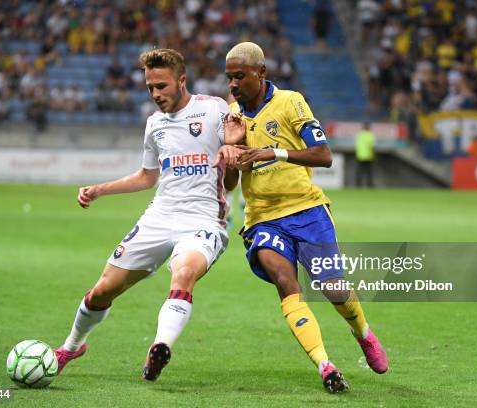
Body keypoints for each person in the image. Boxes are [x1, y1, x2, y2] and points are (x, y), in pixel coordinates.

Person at [53, 48, 244, 382]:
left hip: (202, 222)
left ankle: (160, 347)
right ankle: (71, 346)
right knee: (101, 292)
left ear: (181, 81)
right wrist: (101, 189)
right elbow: (147, 176)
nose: (156, 94)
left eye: (162, 85)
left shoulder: (214, 110)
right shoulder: (154, 124)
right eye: (150, 87)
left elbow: (231, 180)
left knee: (183, 273)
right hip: (159, 217)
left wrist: (232, 155)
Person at [215, 42, 388, 393]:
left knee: (332, 288)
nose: (232, 85)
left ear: (260, 73)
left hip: (306, 210)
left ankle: (363, 334)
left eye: (239, 77)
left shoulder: (291, 101)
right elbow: (231, 181)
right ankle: (326, 365)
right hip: (263, 218)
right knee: (286, 283)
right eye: (229, 77)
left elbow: (324, 156)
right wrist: (231, 152)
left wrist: (271, 152)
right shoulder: (231, 116)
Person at [355, 121, 375, 187]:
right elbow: (371, 146)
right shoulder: (370, 135)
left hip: (360, 155)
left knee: (359, 172)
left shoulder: (360, 135)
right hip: (368, 156)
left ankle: (358, 185)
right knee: (369, 172)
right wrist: (372, 154)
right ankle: (370, 185)